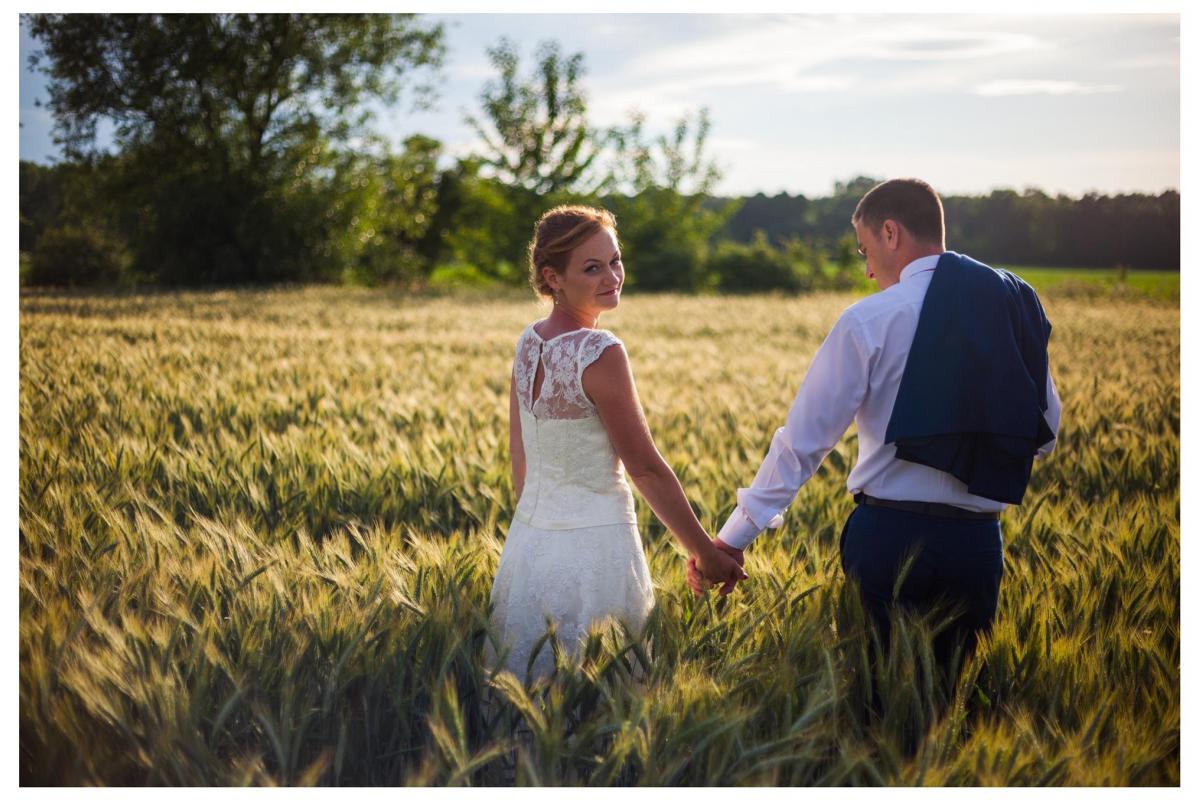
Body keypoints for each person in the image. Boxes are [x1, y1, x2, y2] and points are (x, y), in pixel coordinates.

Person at [688, 178, 1061, 697]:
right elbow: (1045, 435)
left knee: (878, 699)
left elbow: (803, 443)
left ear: (891, 233)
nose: (866, 269)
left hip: (889, 538)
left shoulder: (871, 318)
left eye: (865, 250)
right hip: (978, 544)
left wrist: (729, 540)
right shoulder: (1010, 307)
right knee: (957, 705)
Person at [489, 204, 746, 683]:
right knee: (603, 698)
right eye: (592, 267)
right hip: (596, 550)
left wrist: (539, 526)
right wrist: (704, 553)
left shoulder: (529, 342)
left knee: (528, 693)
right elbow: (644, 468)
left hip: (529, 547)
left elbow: (518, 450)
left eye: (615, 260)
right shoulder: (600, 351)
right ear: (553, 277)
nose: (612, 276)